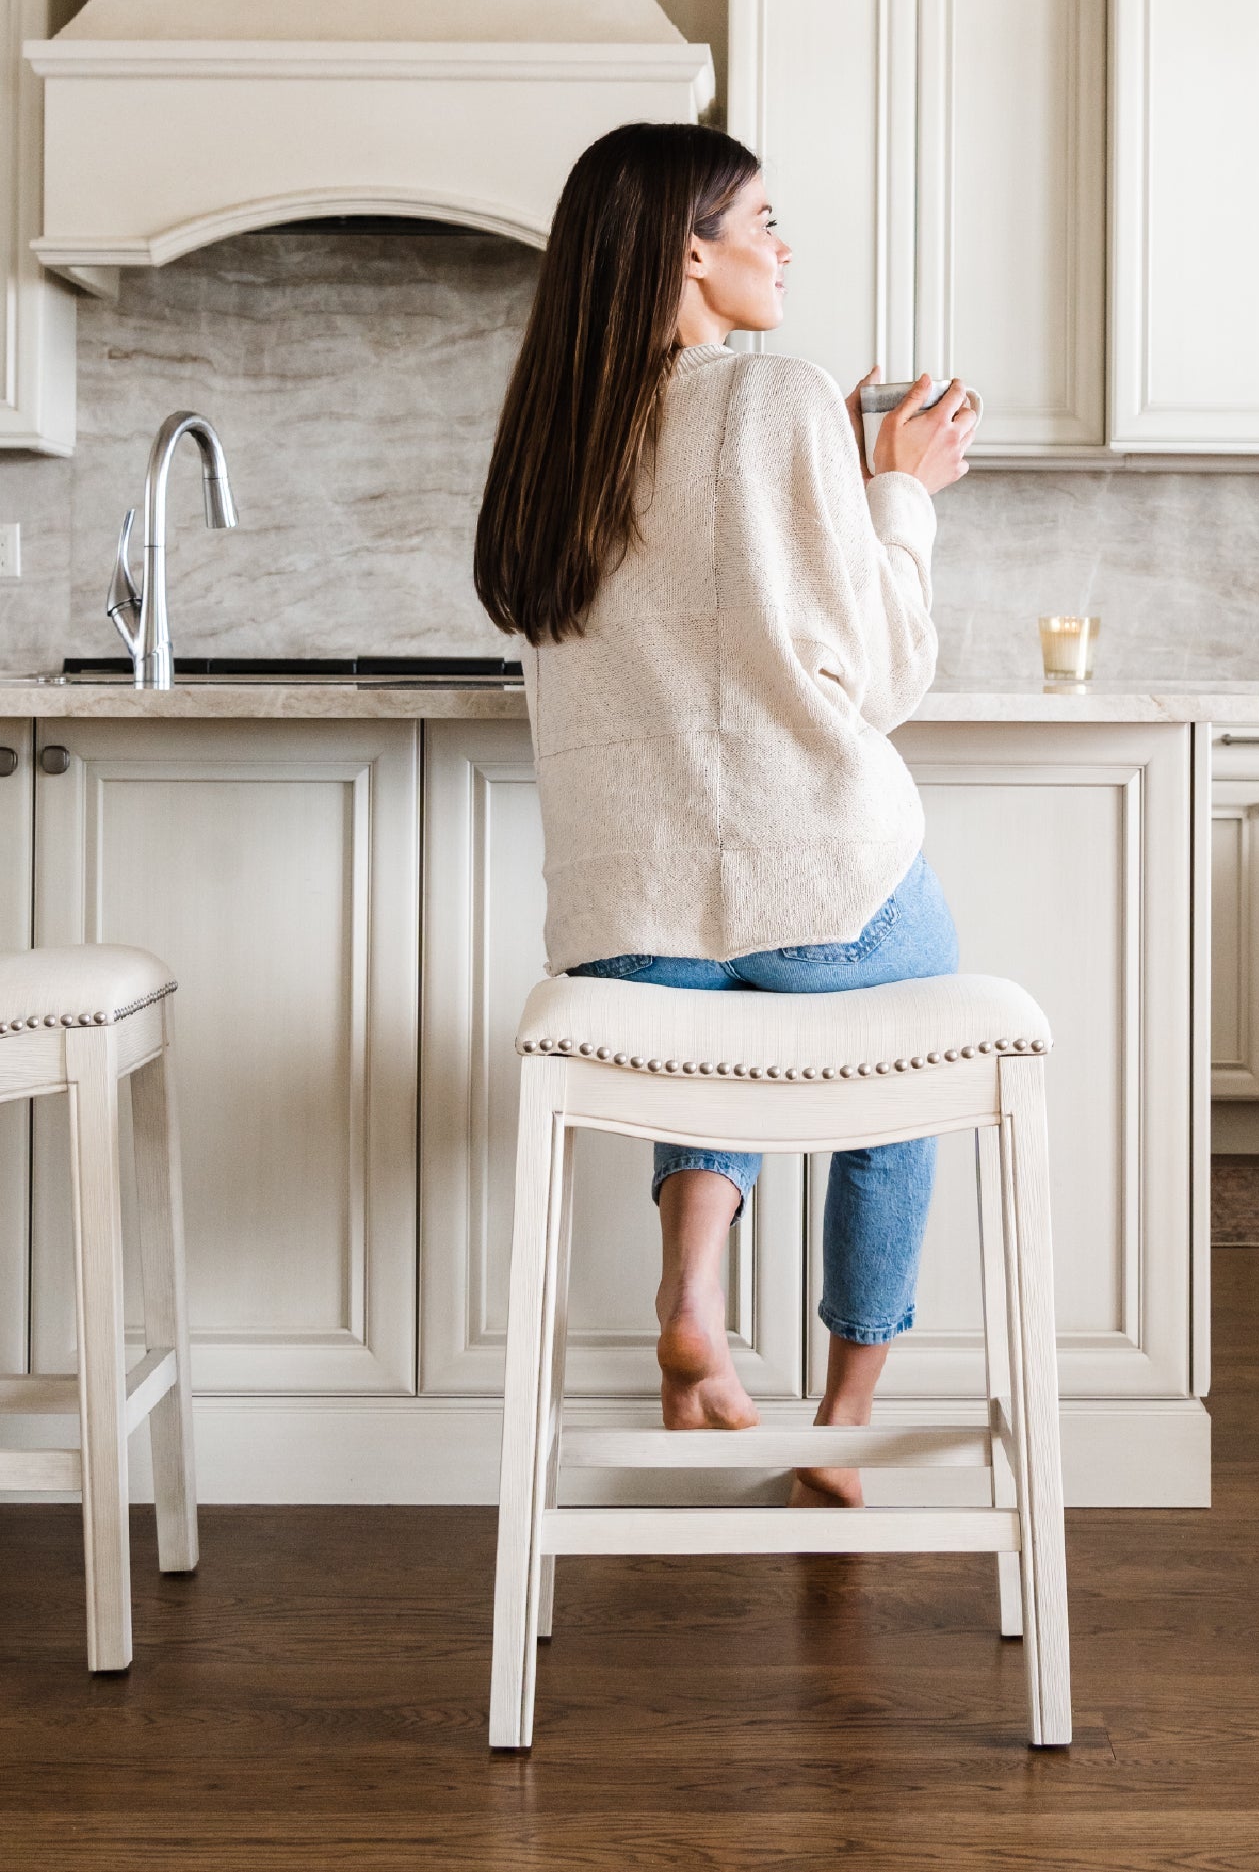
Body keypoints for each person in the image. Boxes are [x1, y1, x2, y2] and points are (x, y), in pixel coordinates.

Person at [474, 121, 976, 1508]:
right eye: (761, 218)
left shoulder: (551, 438)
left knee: (712, 1029)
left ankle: (689, 1293)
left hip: (622, 924)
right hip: (824, 881)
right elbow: (880, 669)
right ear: (689, 250)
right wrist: (900, 490)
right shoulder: (777, 398)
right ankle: (840, 1422)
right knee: (896, 1094)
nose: (780, 243)